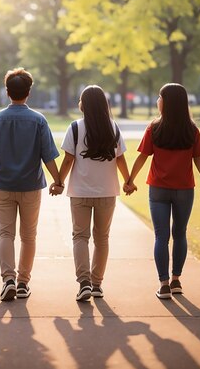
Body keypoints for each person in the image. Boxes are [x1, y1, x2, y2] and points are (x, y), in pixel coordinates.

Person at [0, 68, 62, 301]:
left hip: (3, 185)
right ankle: (22, 282)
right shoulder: (39, 120)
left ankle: (7, 279)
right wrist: (58, 181)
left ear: (7, 91)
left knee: (5, 234)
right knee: (28, 236)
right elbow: (48, 156)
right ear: (29, 92)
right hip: (31, 186)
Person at [125, 83, 200, 300]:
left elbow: (142, 157)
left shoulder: (154, 127)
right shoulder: (191, 130)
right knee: (180, 233)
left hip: (158, 190)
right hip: (184, 189)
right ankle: (176, 280)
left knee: (161, 236)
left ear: (165, 102)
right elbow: (198, 159)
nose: (157, 100)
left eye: (159, 97)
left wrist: (130, 180)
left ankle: (163, 284)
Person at [57, 86, 132, 301]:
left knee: (80, 236)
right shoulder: (113, 128)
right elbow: (120, 158)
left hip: (80, 192)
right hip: (107, 192)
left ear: (83, 104)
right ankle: (97, 283)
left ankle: (84, 283)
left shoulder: (75, 128)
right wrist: (127, 181)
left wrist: (59, 182)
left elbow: (68, 159)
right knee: (102, 238)